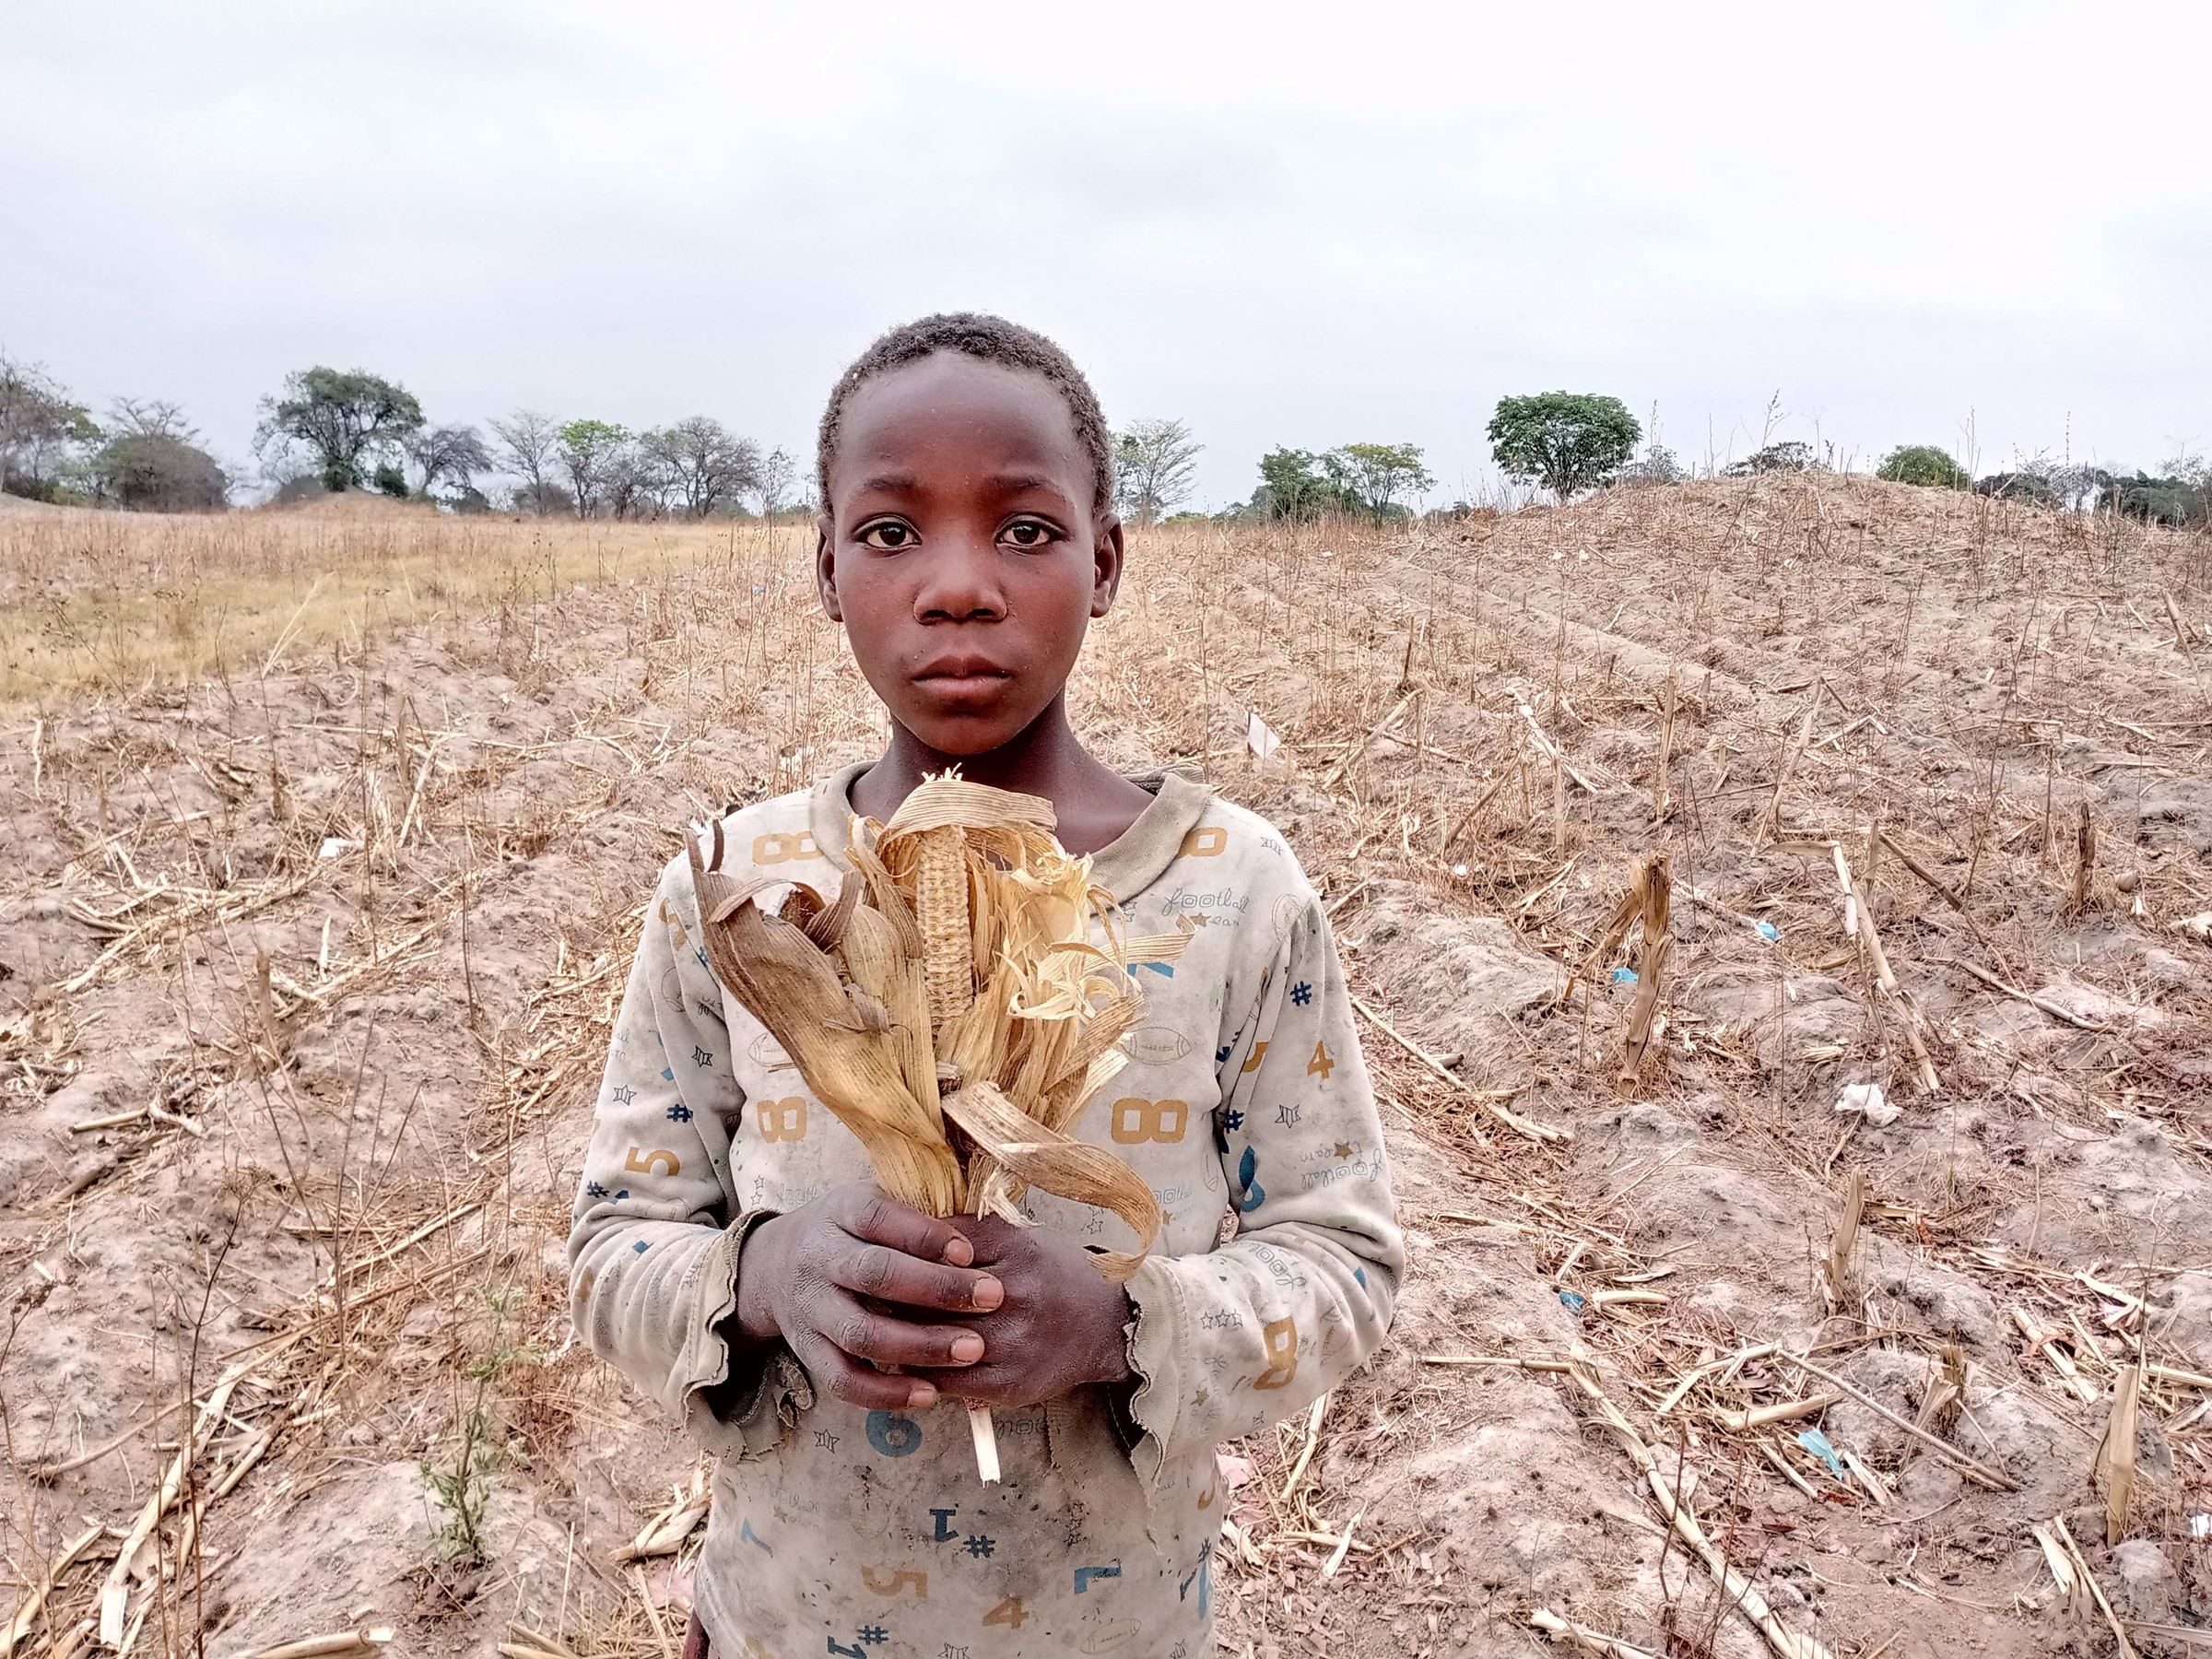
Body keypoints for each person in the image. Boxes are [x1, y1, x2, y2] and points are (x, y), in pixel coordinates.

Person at [570, 313, 1402, 1659]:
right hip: (787, 1621)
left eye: (1024, 530)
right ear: (828, 571)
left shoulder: (1234, 890)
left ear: (1106, 561)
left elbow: (1345, 1262)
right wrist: (769, 1279)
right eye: (894, 533)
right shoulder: (742, 895)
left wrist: (1125, 1327)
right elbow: (615, 1247)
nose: (958, 586)